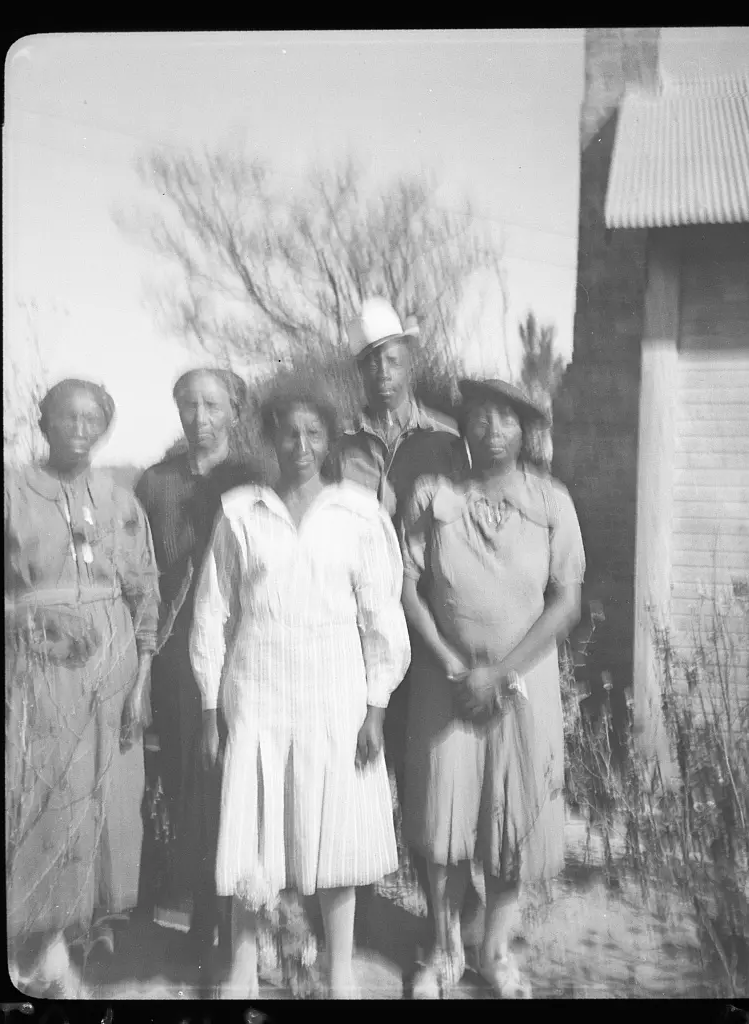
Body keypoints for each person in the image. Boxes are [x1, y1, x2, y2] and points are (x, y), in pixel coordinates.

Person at [189, 382, 411, 999]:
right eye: (290, 432)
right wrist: (211, 709)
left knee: (334, 834)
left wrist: (376, 707)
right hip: (258, 695)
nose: (302, 445)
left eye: (315, 433)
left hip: (335, 699)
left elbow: (381, 615)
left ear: (331, 440)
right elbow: (213, 613)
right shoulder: (241, 511)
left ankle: (339, 970)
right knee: (252, 837)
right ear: (271, 437)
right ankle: (241, 970)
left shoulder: (359, 513)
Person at [399, 378, 585, 999]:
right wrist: (456, 665)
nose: (492, 430)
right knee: (443, 822)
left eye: (506, 419)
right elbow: (408, 587)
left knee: (514, 823)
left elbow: (566, 604)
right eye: (479, 418)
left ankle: (496, 951)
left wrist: (501, 673)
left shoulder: (552, 502)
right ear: (465, 428)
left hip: (522, 687)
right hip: (444, 683)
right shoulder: (435, 499)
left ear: (525, 431)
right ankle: (445, 950)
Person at [330, 298, 486, 944]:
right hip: (360, 634)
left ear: (410, 360)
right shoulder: (340, 445)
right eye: (371, 365)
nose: (383, 375)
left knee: (428, 775)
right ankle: (353, 914)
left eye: (392, 360)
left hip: (428, 627)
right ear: (359, 373)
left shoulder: (449, 440)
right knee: (359, 769)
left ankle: (445, 922)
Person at [5, 379, 159, 997]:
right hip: (40, 667)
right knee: (46, 793)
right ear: (43, 422)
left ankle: (83, 934)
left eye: (93, 417)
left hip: (116, 666)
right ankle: (41, 948)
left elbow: (145, 590)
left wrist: (142, 679)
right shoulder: (12, 495)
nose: (81, 427)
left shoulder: (120, 499)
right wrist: (24, 617)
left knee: (109, 798)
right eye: (68, 415)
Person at [134, 368, 263, 972]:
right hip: (174, 660)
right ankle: (193, 919)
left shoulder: (254, 480)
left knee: (232, 788)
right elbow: (139, 572)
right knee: (186, 786)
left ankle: (235, 928)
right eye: (188, 403)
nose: (199, 416)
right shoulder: (156, 483)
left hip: (240, 656)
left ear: (235, 411)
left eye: (212, 404)